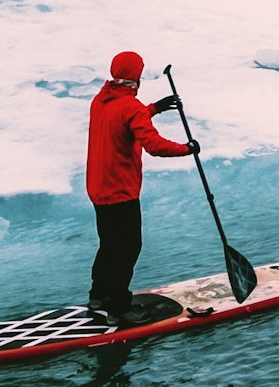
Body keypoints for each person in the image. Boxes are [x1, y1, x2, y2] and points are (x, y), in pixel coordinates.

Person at [83, 49, 199, 322]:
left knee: (109, 244)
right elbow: (154, 146)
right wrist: (187, 149)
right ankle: (119, 308)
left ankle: (98, 295)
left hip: (98, 187)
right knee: (129, 246)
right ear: (136, 77)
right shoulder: (131, 107)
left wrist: (154, 108)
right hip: (121, 189)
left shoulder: (100, 100)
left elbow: (122, 118)